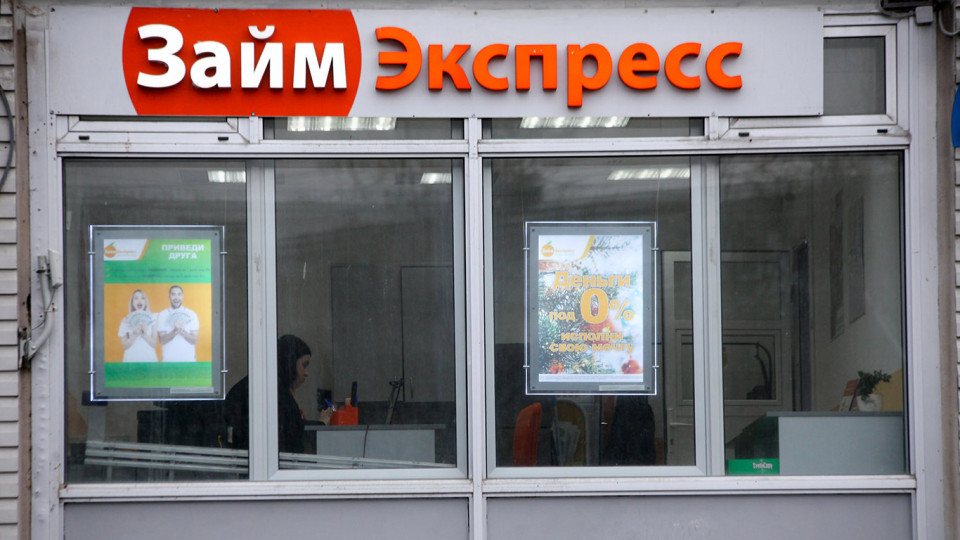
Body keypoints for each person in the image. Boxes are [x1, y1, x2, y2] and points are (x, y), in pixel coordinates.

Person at [223, 334, 332, 453]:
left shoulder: (259, 385)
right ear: (290, 363)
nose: (306, 373)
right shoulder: (276, 395)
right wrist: (320, 425)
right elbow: (292, 437)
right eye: (304, 365)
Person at [157, 285, 199, 362]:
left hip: (188, 360)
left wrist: (182, 331)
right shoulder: (162, 315)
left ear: (182, 297)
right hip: (169, 361)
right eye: (173, 294)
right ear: (169, 297)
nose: (176, 297)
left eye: (179, 294)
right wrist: (175, 330)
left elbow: (194, 340)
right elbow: (162, 340)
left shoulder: (192, 314)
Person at [118, 289, 158, 362]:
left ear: (145, 302)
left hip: (149, 357)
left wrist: (145, 335)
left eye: (142, 298)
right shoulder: (125, 320)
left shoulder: (153, 318)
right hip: (131, 357)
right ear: (132, 302)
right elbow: (124, 346)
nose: (139, 301)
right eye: (136, 298)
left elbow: (154, 344)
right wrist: (135, 335)